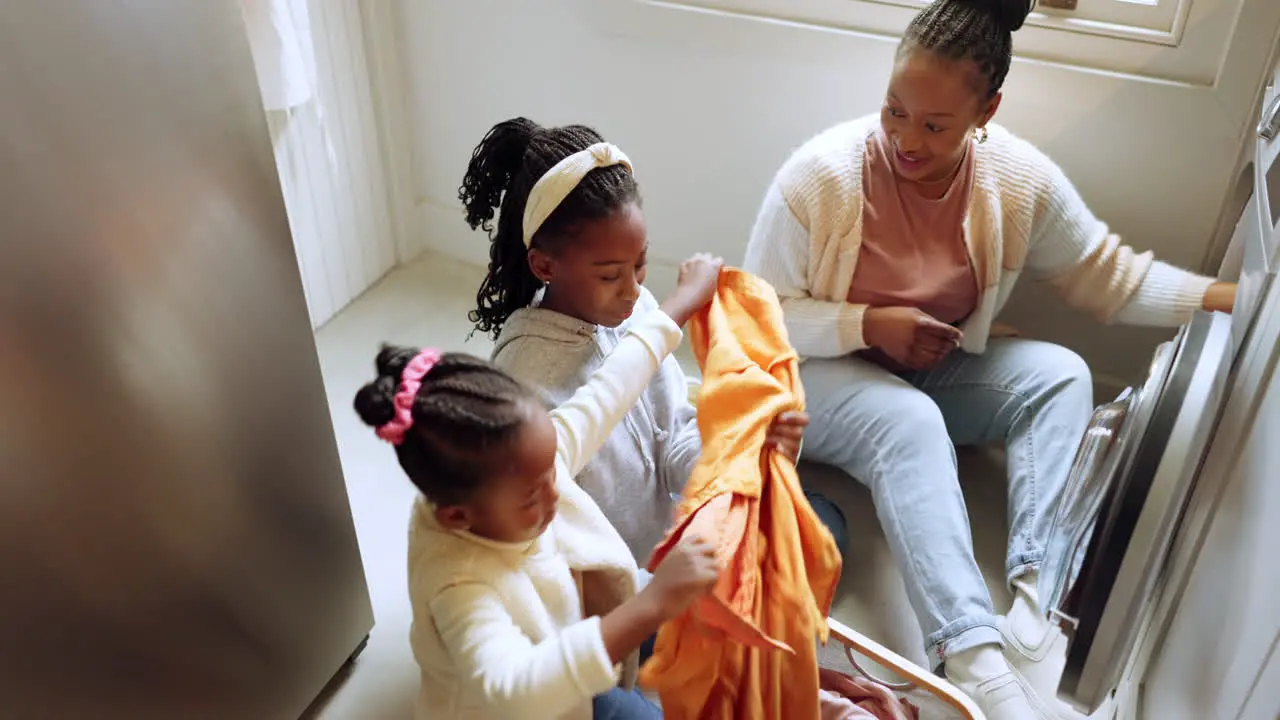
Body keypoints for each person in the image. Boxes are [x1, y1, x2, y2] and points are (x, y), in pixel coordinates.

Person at [740, 0, 1238, 718]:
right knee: (908, 420)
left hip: (924, 364)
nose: (907, 139)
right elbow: (759, 321)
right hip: (806, 375)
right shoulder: (821, 178)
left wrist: (1239, 294)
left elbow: (1109, 278)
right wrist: (867, 323)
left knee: (1062, 373)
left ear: (987, 110)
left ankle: (1037, 597)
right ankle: (971, 656)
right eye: (894, 110)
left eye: (935, 125)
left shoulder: (1014, 179)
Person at [460, 117, 850, 569]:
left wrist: (746, 449)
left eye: (640, 265)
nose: (632, 290)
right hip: (619, 599)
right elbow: (559, 560)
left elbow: (675, 448)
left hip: (678, 550)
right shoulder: (527, 389)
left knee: (823, 529)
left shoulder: (636, 308)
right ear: (544, 265)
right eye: (609, 275)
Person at [354, 254, 727, 720]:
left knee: (711, 625)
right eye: (532, 497)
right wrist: (651, 606)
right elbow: (516, 689)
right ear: (457, 517)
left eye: (552, 470)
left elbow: (614, 383)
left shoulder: (531, 463)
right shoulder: (459, 584)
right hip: (538, 703)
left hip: (567, 645)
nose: (556, 491)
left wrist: (682, 302)